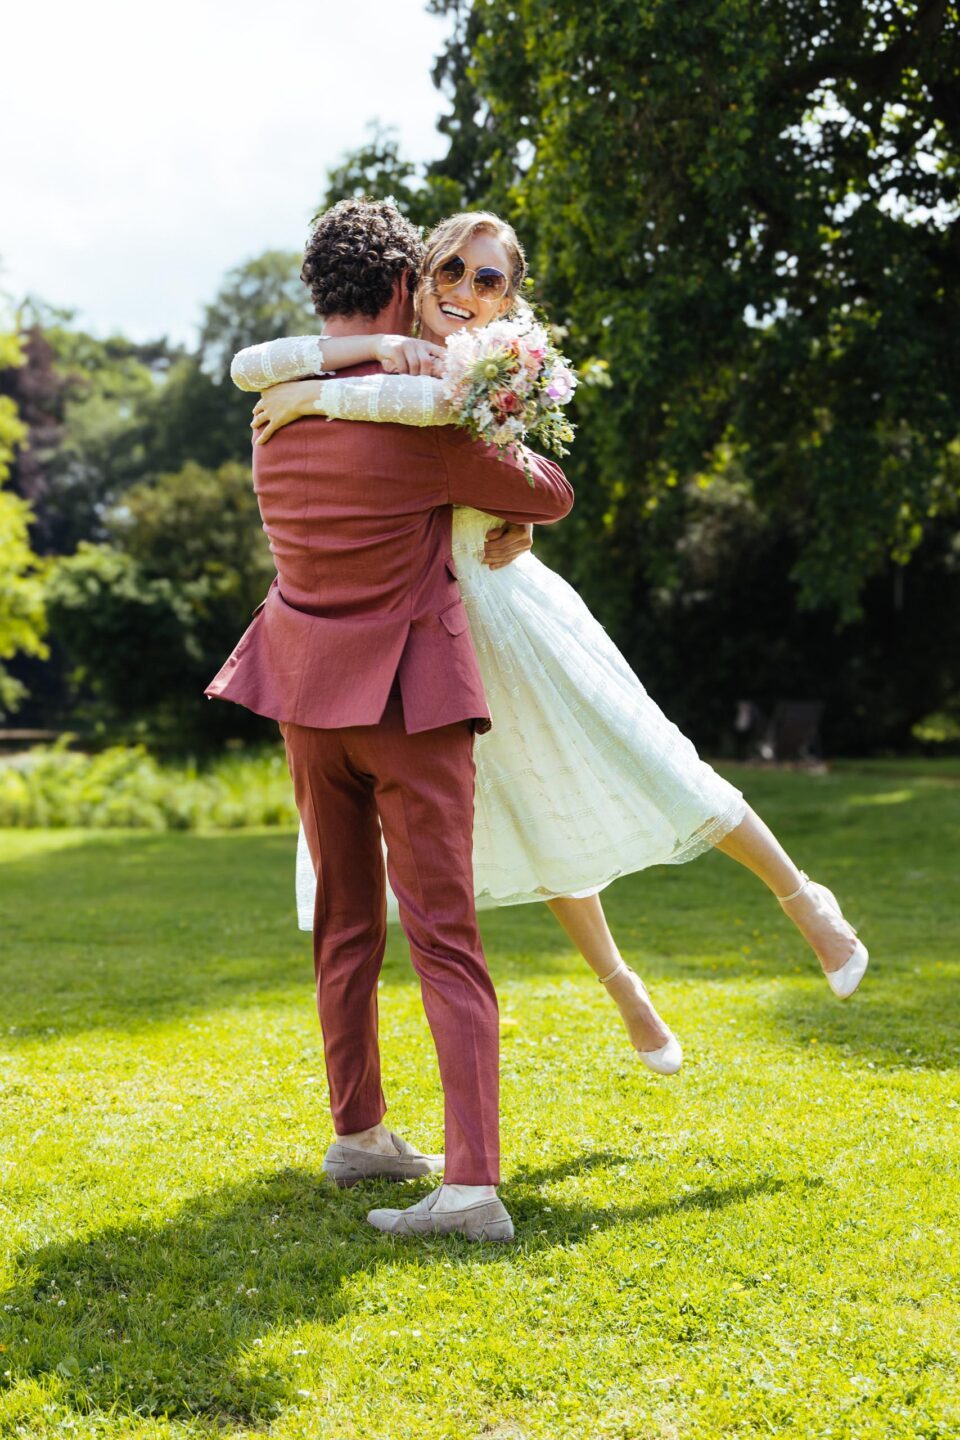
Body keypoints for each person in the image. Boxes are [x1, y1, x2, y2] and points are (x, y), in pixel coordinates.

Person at [232, 207, 870, 1060]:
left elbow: (461, 440)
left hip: (503, 602)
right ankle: (624, 989)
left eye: (488, 280)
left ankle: (804, 899)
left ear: (509, 300)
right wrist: (347, 365)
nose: (464, 290)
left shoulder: (480, 371)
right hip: (434, 630)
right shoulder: (387, 352)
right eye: (451, 269)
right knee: (532, 805)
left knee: (652, 758)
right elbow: (261, 368)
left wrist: (314, 395)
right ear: (419, 277)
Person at [207, 198, 574, 1242]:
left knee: (345, 923)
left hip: (304, 699)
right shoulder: (424, 417)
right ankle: (473, 1188)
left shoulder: (274, 419)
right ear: (409, 287)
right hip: (410, 702)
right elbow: (549, 489)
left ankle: (358, 1131)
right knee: (447, 940)